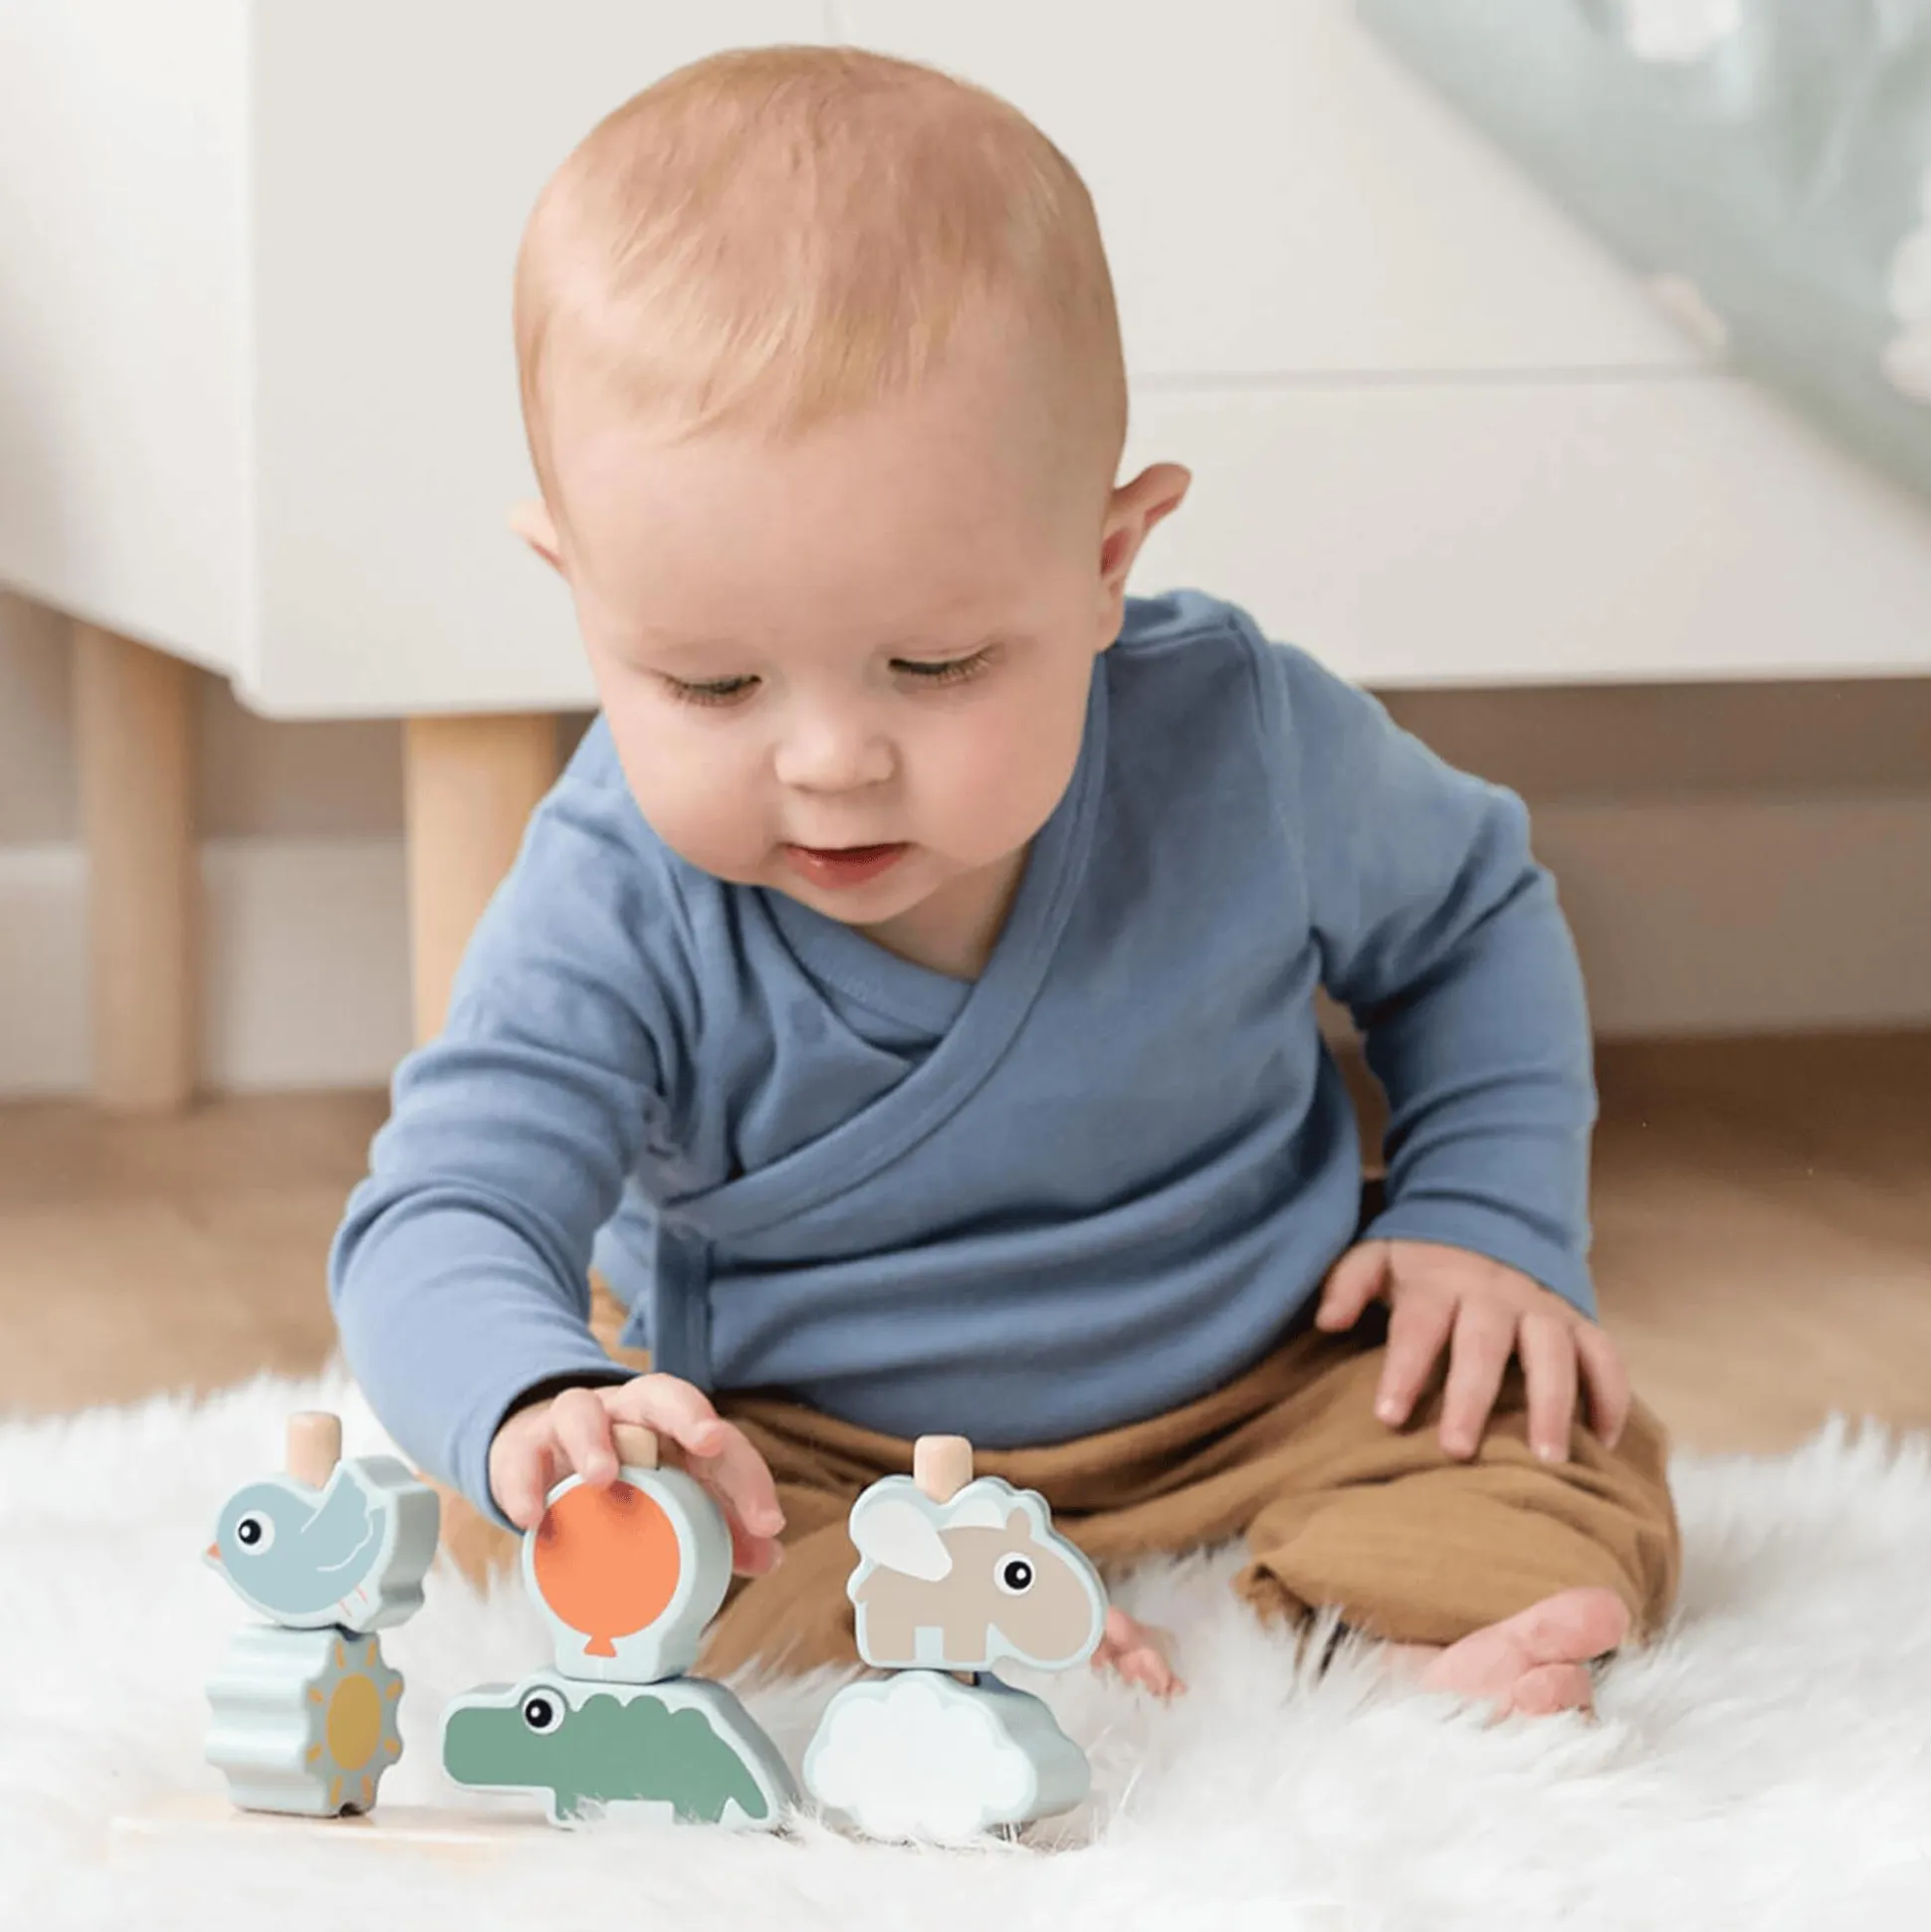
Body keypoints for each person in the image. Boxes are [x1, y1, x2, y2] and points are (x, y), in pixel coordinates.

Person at [330, 44, 1679, 1718]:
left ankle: (1407, 1649)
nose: (831, 760)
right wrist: (542, 1402)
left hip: (1266, 1371)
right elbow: (445, 1212)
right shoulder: (617, 889)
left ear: (1108, 562)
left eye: (937, 663)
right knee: (615, 1547)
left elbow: (1473, 919)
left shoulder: (1244, 742)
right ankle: (948, 1650)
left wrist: (1484, 1221)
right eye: (711, 683)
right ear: (580, 586)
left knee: (1548, 1426)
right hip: (810, 1445)